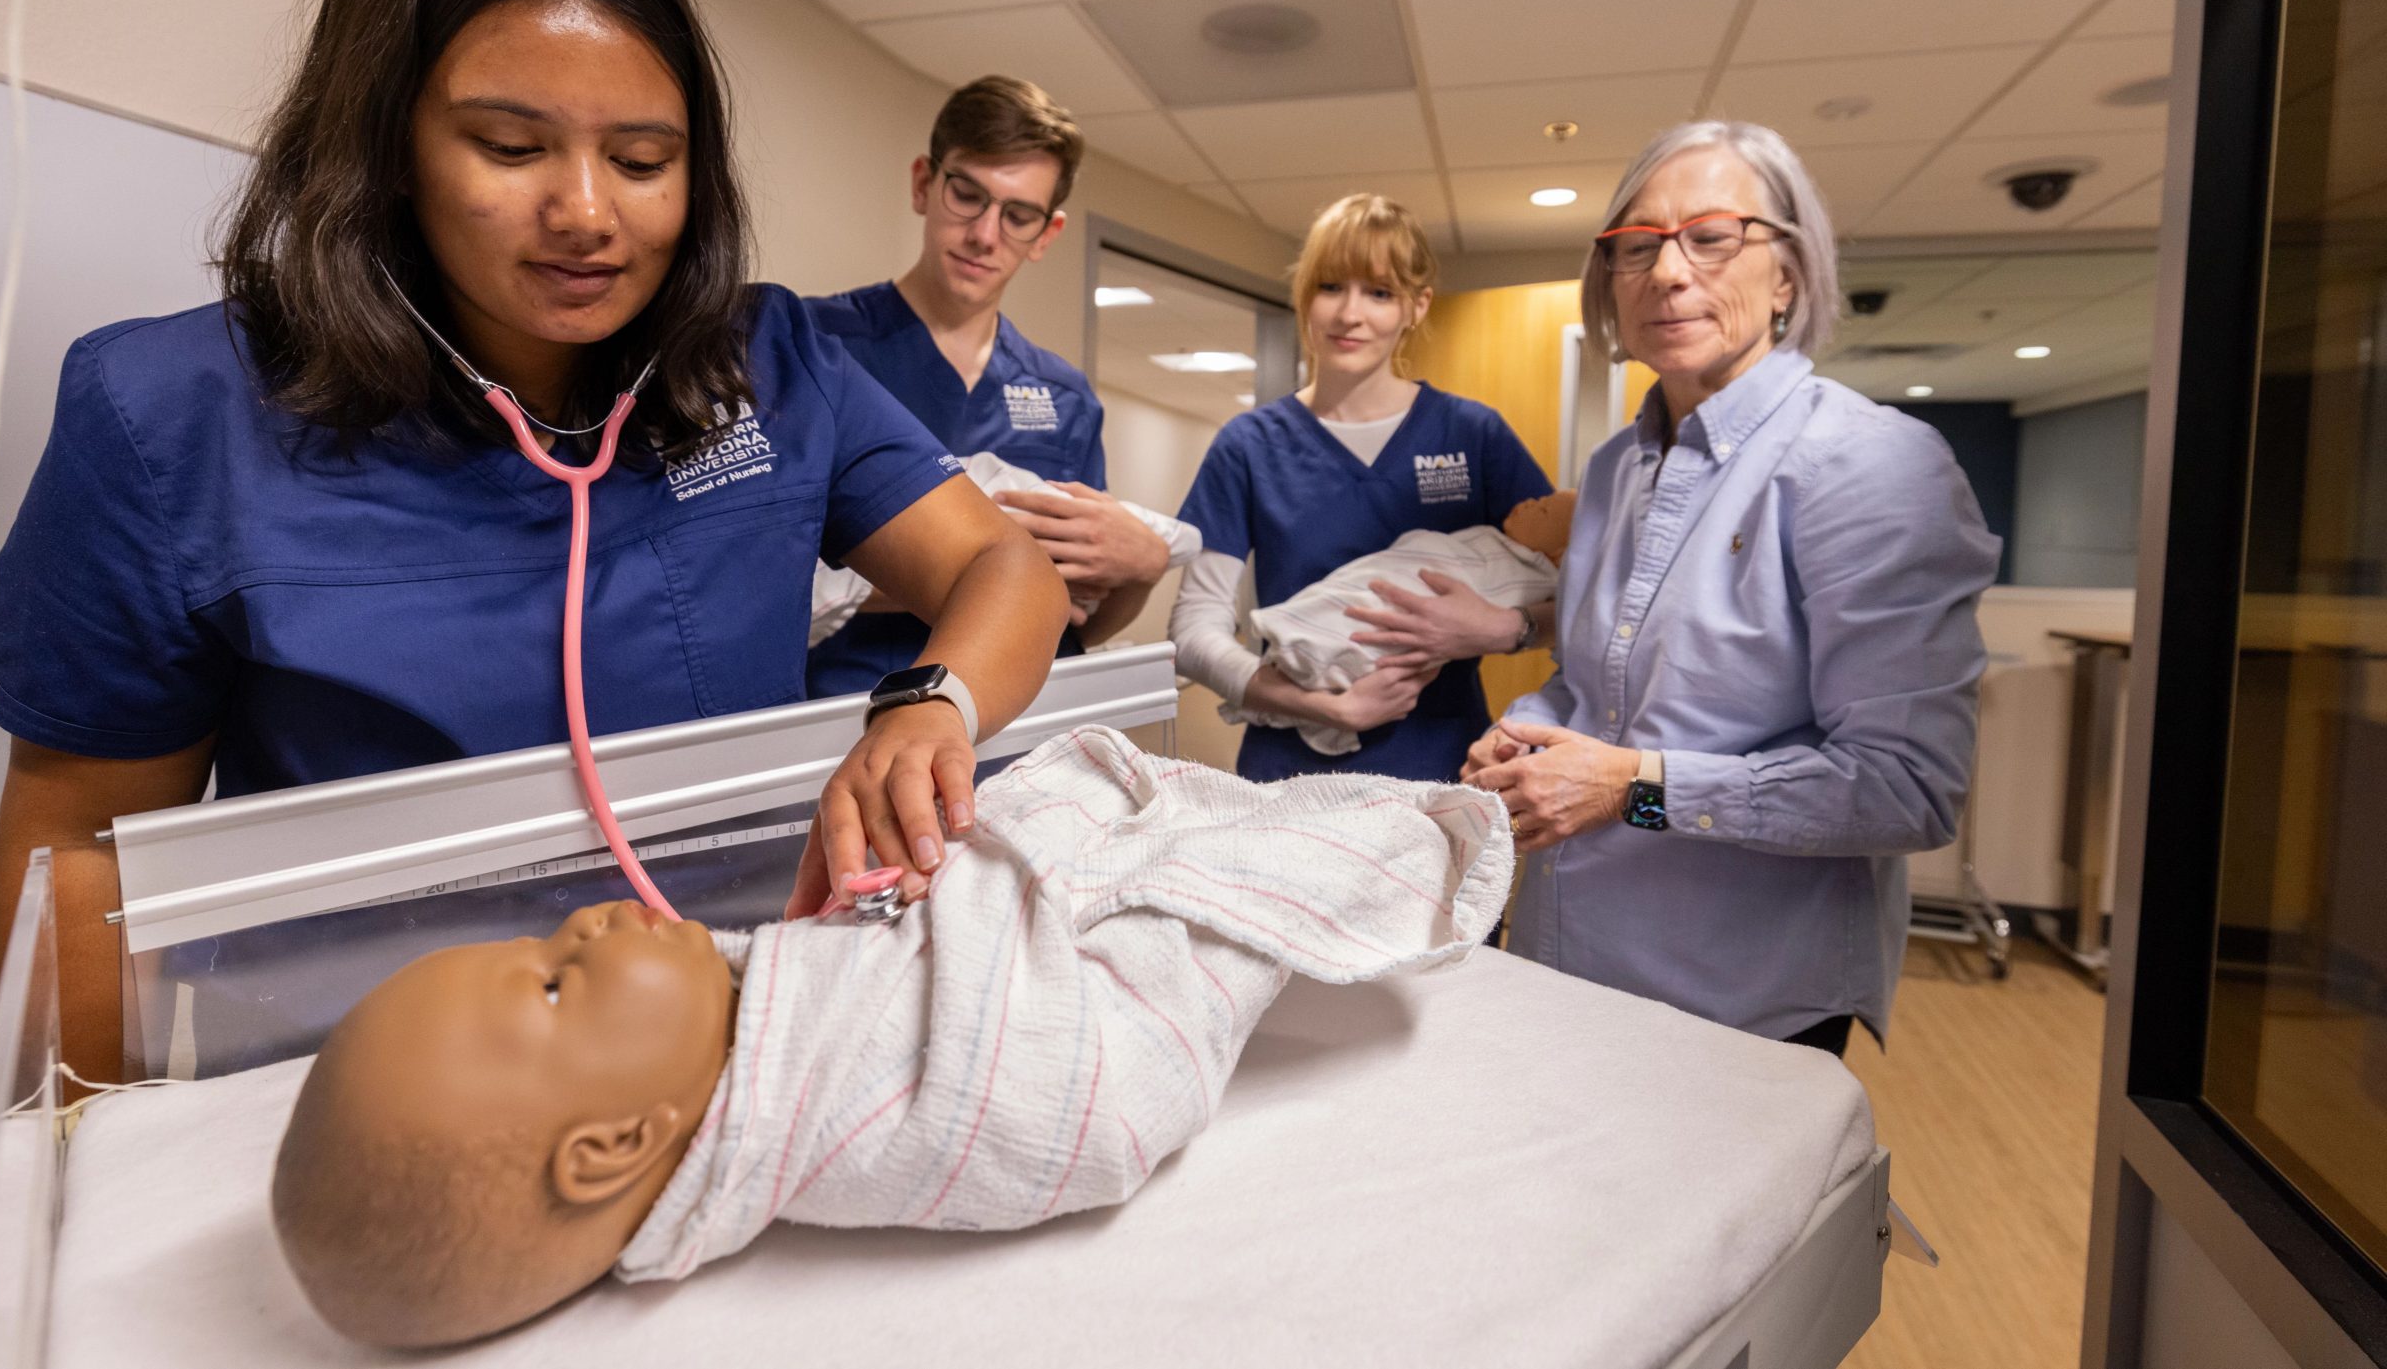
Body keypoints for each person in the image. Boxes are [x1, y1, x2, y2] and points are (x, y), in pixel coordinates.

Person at [0, 0, 1070, 1011]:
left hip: (740, 1019)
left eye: (646, 161)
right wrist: (75, 1154)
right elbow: (83, 855)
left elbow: (1004, 566)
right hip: (357, 1079)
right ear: (387, 146)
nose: (591, 215)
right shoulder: (177, 414)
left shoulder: (767, 366)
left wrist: (928, 703)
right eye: (510, 147)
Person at [268, 725, 1509, 1347]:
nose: (581, 921)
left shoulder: (747, 1022)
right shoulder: (851, 1111)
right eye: (550, 985)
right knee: (1298, 854)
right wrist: (996, 886)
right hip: (1098, 978)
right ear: (615, 1147)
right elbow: (1081, 1104)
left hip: (1031, 898)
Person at [1463, 120, 2001, 1058]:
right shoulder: (1617, 468)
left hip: (1737, 1007)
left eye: (1712, 237)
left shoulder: (1867, 465)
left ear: (1787, 272)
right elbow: (1599, 685)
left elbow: (1907, 787)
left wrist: (1630, 790)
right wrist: (1527, 732)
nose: (1669, 272)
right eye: (1637, 246)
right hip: (1565, 961)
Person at [803, 77, 1177, 699]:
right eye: (968, 195)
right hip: (845, 721)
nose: (984, 234)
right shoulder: (809, 346)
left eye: (1018, 215)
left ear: (1046, 235)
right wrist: (984, 571)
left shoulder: (1064, 396)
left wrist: (1141, 573)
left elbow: (1076, 618)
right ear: (925, 183)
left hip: (1014, 736)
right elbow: (757, 574)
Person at [1169, 194, 1554, 783]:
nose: (1351, 314)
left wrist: (1501, 629)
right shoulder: (1248, 445)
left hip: (1442, 767)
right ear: (1304, 297)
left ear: (1416, 307)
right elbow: (1194, 631)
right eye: (1330, 287)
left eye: (1379, 293)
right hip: (1290, 778)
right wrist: (1326, 708)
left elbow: (1582, 605)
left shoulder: (1473, 434)